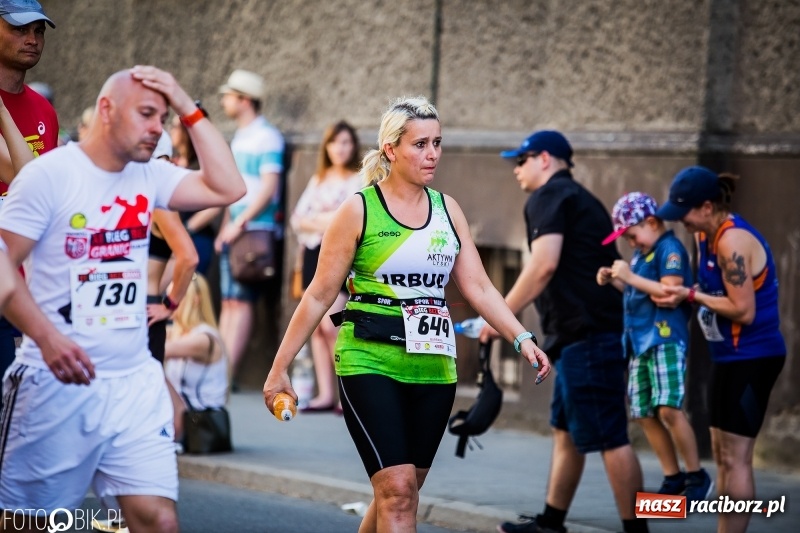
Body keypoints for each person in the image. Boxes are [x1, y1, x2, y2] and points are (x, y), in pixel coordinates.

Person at [263, 96, 551, 532]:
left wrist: (521, 337)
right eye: (420, 144)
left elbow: (478, 287)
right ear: (391, 149)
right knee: (397, 492)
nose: (432, 153)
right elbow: (319, 295)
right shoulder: (359, 209)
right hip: (368, 360)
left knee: (401, 493)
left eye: (437, 143)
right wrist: (278, 369)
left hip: (434, 367)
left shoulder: (448, 209)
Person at [0, 65, 245, 531]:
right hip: (55, 385)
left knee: (158, 520)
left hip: (133, 383)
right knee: (26, 524)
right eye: (146, 114)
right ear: (107, 110)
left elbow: (229, 187)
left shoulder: (149, 175)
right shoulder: (49, 175)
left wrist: (184, 102)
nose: (157, 128)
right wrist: (46, 337)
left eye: (163, 117)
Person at [481, 131, 647, 533]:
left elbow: (543, 265)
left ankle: (637, 529)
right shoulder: (580, 198)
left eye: (521, 160)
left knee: (611, 439)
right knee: (567, 431)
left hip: (589, 336)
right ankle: (551, 524)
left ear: (544, 159)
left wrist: (499, 315)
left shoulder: (549, 196)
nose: (516, 170)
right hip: (582, 336)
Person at [652, 166, 786, 533]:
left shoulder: (732, 242)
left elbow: (744, 310)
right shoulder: (703, 236)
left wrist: (691, 295)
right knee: (721, 453)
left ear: (707, 207)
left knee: (737, 458)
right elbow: (711, 290)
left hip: (754, 357)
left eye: (685, 213)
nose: (681, 221)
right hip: (725, 356)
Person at [597, 192, 713, 502]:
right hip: (639, 343)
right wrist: (616, 280)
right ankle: (672, 476)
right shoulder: (641, 254)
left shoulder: (669, 249)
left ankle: (696, 475)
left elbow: (671, 290)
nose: (631, 242)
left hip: (664, 340)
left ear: (651, 222)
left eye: (631, 235)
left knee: (668, 408)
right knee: (643, 412)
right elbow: (638, 292)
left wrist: (630, 276)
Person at [0, 0, 59, 402]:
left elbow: (47, 196)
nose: (32, 39)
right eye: (19, 29)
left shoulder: (43, 110)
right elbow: (25, 181)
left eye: (38, 31)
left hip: (33, 287)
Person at [215, 68, 285, 381]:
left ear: (244, 100)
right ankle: (216, 373)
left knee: (241, 302)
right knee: (229, 301)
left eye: (229, 96)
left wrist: (239, 223)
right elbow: (235, 188)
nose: (224, 101)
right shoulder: (243, 135)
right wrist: (226, 225)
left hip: (255, 230)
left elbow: (269, 188)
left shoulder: (267, 136)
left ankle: (225, 377)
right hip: (237, 228)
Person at [290, 120, 361, 411]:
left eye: (345, 142)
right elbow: (297, 219)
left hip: (341, 257)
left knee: (334, 325)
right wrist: (328, 220)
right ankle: (326, 395)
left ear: (353, 146)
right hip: (312, 254)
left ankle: (349, 394)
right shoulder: (318, 179)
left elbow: (348, 220)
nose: (340, 148)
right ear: (326, 147)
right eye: (334, 142)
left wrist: (317, 220)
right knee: (317, 328)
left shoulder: (359, 180)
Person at [164, 273, 228, 444]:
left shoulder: (204, 338)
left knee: (153, 369)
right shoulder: (178, 332)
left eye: (175, 297)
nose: (168, 303)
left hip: (201, 422)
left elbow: (158, 350)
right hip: (186, 416)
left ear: (196, 299)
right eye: (167, 297)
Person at [170, 115, 217, 276]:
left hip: (196, 237)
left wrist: (187, 229)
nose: (170, 131)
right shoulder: (172, 162)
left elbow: (215, 206)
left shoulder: (201, 166)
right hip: (173, 238)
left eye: (175, 127)